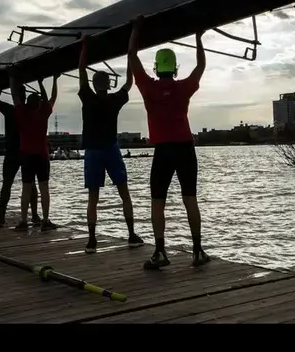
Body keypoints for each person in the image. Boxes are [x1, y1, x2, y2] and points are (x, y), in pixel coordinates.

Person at [128, 15, 210, 269]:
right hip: (186, 148)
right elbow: (200, 68)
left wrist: (136, 28)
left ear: (156, 68)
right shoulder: (184, 87)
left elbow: (131, 55)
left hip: (163, 151)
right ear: (174, 69)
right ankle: (197, 251)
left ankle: (161, 252)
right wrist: (198, 38)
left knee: (157, 201)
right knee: (190, 199)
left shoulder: (147, 88)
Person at [78, 35, 143, 254]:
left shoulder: (87, 97)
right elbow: (129, 82)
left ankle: (92, 240)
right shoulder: (114, 100)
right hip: (111, 149)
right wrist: (129, 54)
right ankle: (132, 234)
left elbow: (81, 70)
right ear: (108, 84)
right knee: (124, 193)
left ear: (95, 85)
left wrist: (85, 46)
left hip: (93, 152)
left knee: (93, 198)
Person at [0, 78, 41, 228]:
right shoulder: (30, 111)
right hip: (26, 151)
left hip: (11, 152)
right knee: (31, 185)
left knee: (7, 184)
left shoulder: (10, 110)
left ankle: (2, 217)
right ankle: (35, 216)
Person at [11, 72, 58, 232]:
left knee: (26, 189)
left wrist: (12, 78)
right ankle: (45, 220)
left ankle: (24, 220)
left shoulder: (22, 114)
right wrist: (45, 82)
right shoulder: (43, 112)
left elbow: (14, 96)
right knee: (44, 188)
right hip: (42, 156)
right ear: (39, 103)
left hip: (26, 156)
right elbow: (51, 97)